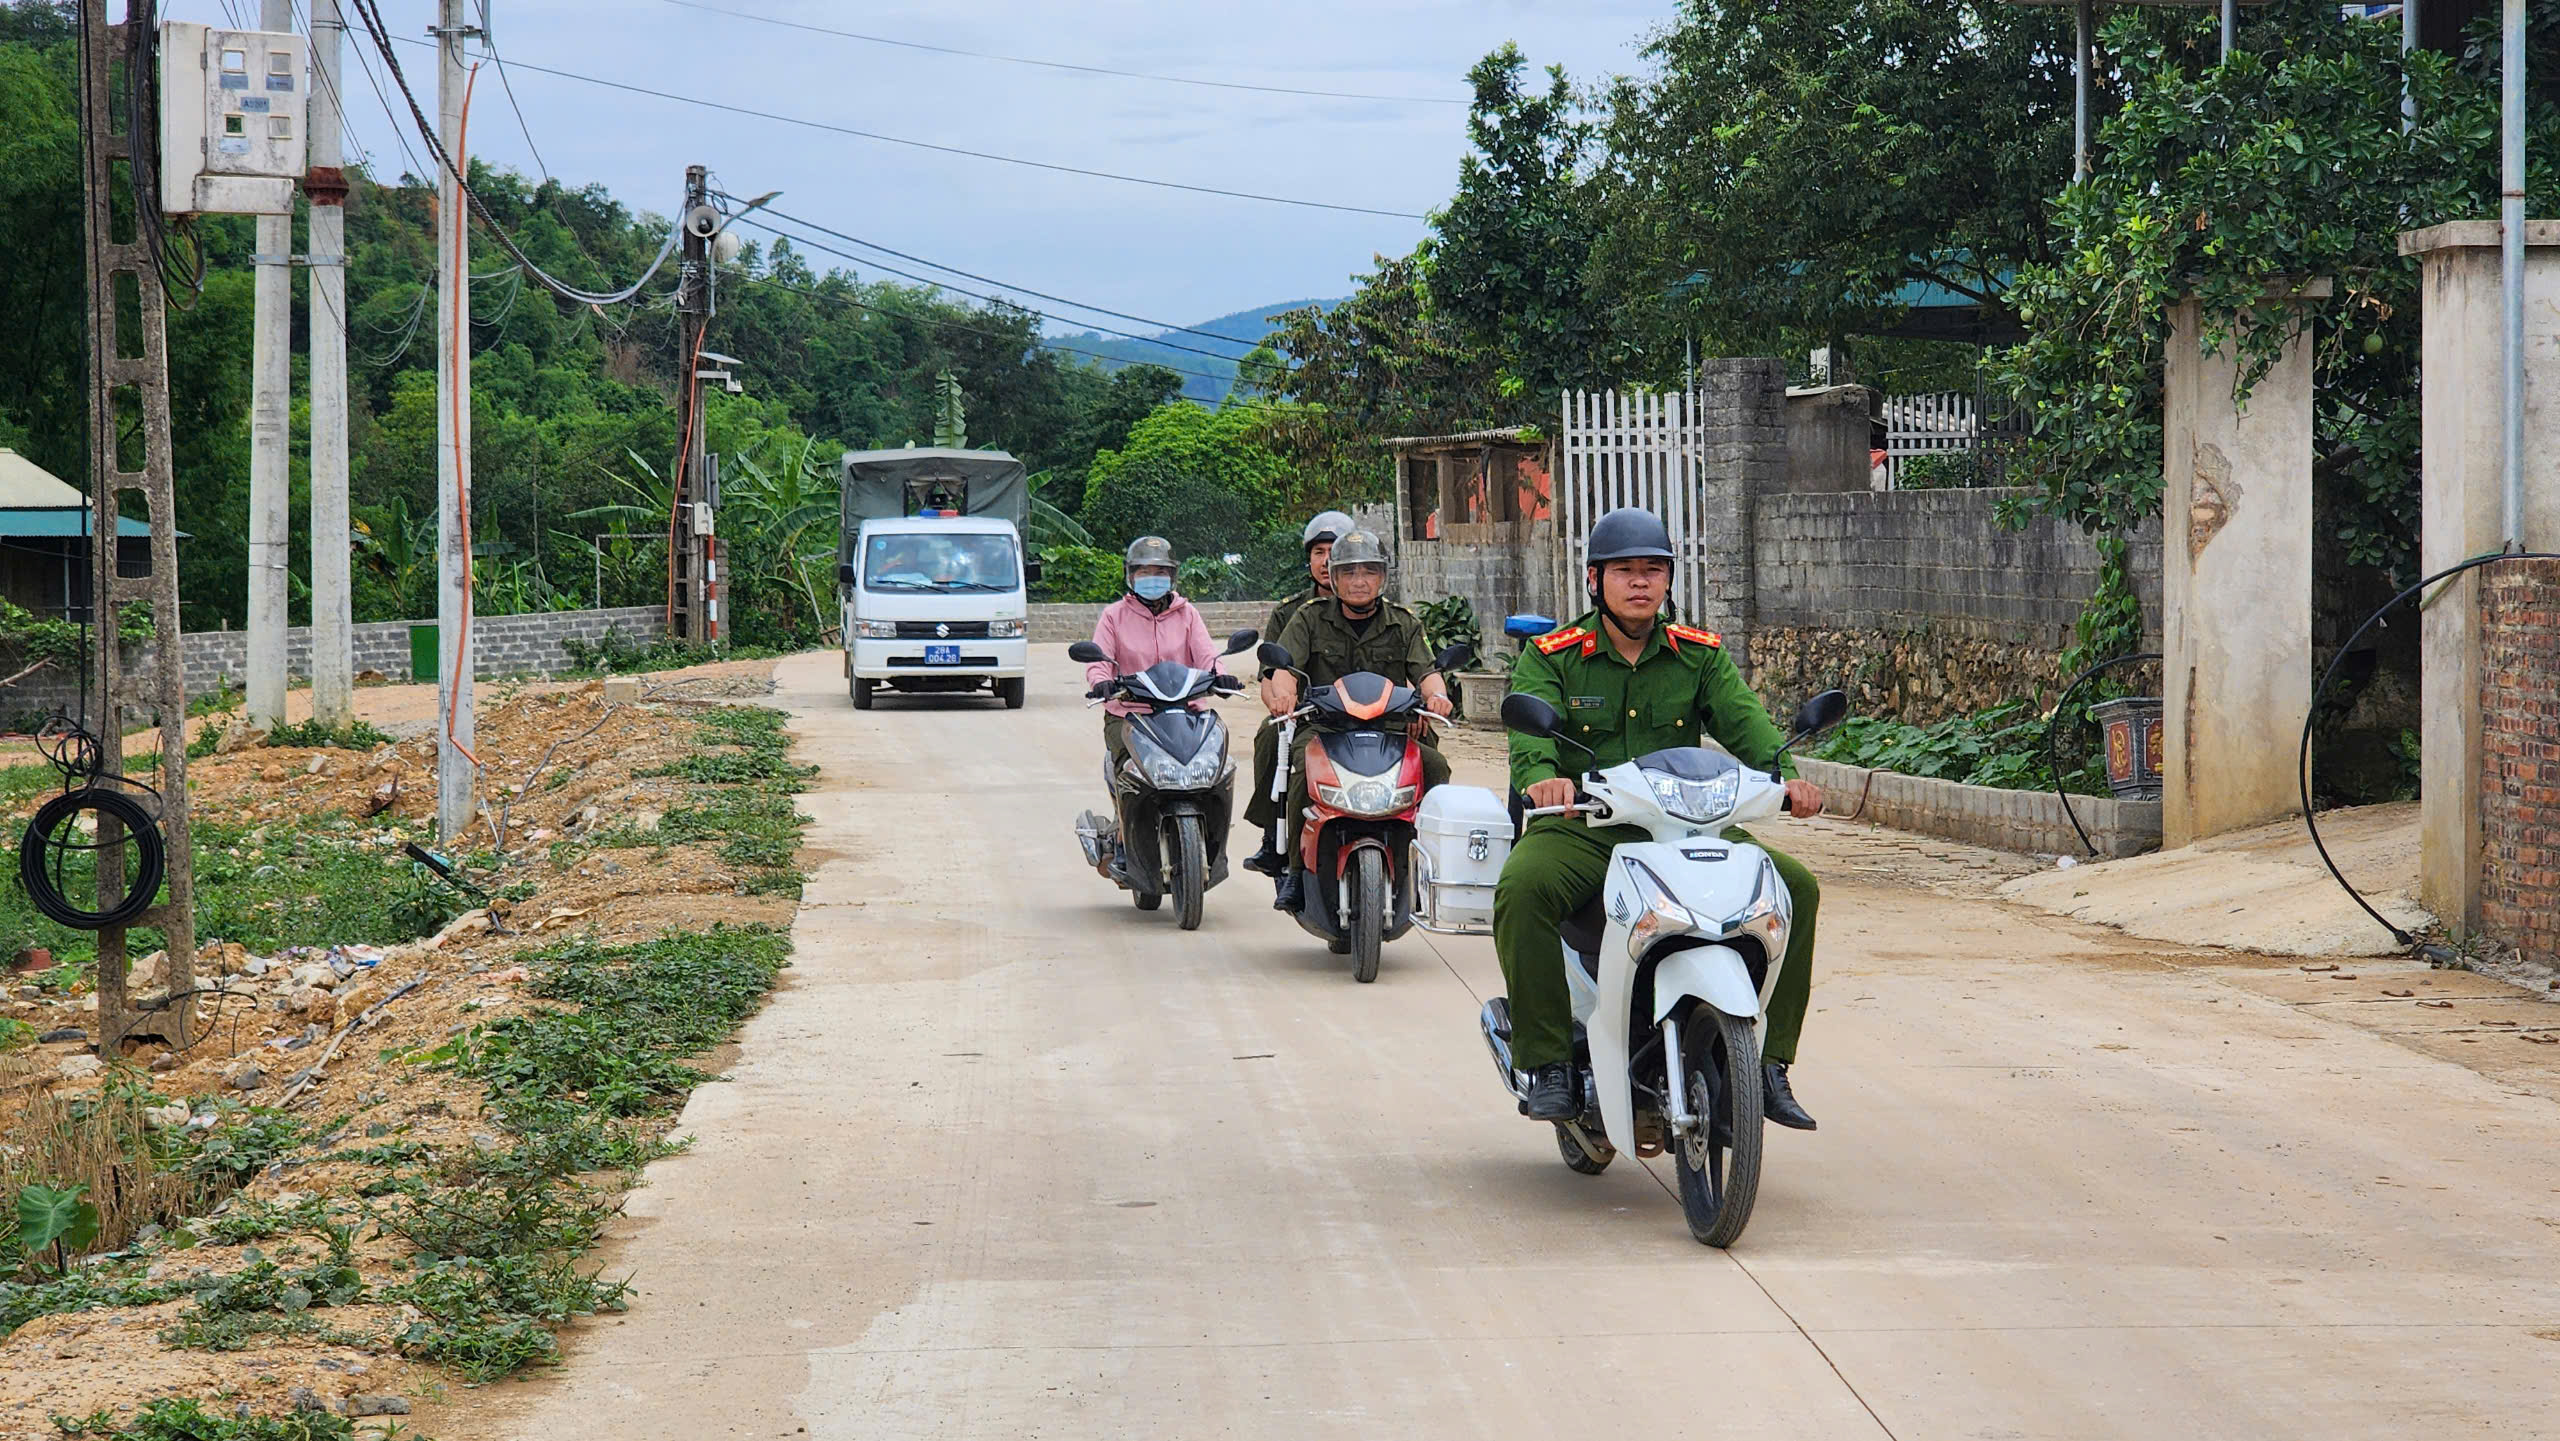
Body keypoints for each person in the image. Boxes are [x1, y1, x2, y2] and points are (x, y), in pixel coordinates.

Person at [1492, 507, 1825, 1131]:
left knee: (1795, 888)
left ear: (1669, 580)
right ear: (1596, 580)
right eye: (1625, 571)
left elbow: (1746, 725)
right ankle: (1549, 1062)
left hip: (1689, 827)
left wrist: (1786, 777)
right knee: (1521, 888)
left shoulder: (1698, 656)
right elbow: (1529, 738)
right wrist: (1542, 779)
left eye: (1653, 570)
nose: (1640, 583)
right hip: (1589, 827)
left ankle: (1769, 1065)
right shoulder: (1553, 654)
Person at [1264, 529, 1454, 912]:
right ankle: (1298, 873)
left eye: (1369, 571)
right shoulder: (1308, 617)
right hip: (1325, 728)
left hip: (1389, 728)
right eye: (1349, 573)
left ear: (1383, 577)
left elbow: (1427, 671)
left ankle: (1423, 864)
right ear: (1332, 578)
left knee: (1436, 767)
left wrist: (1438, 696)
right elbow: (1284, 666)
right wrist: (1284, 693)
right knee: (1302, 769)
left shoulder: (1404, 622)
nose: (1359, 581)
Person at [1241, 509, 1355, 876]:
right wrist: (1280, 704)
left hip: (1374, 715)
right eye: (1318, 552)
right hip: (1308, 717)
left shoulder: (1382, 611)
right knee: (1270, 738)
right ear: (1308, 559)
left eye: (1334, 551)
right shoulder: (1292, 612)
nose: (1326, 561)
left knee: (1429, 753)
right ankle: (1276, 835)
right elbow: (1272, 673)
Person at [1086, 537, 1222, 822]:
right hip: (1131, 714)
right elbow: (1099, 661)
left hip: (1185, 713)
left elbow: (1207, 655)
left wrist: (1221, 676)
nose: (1152, 578)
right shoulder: (1113, 616)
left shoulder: (1188, 614)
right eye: (1144, 571)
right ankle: (1125, 835)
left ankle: (1213, 851)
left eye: (1160, 572)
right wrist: (1102, 682)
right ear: (1130, 575)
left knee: (1216, 772)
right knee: (1130, 775)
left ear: (1172, 576)